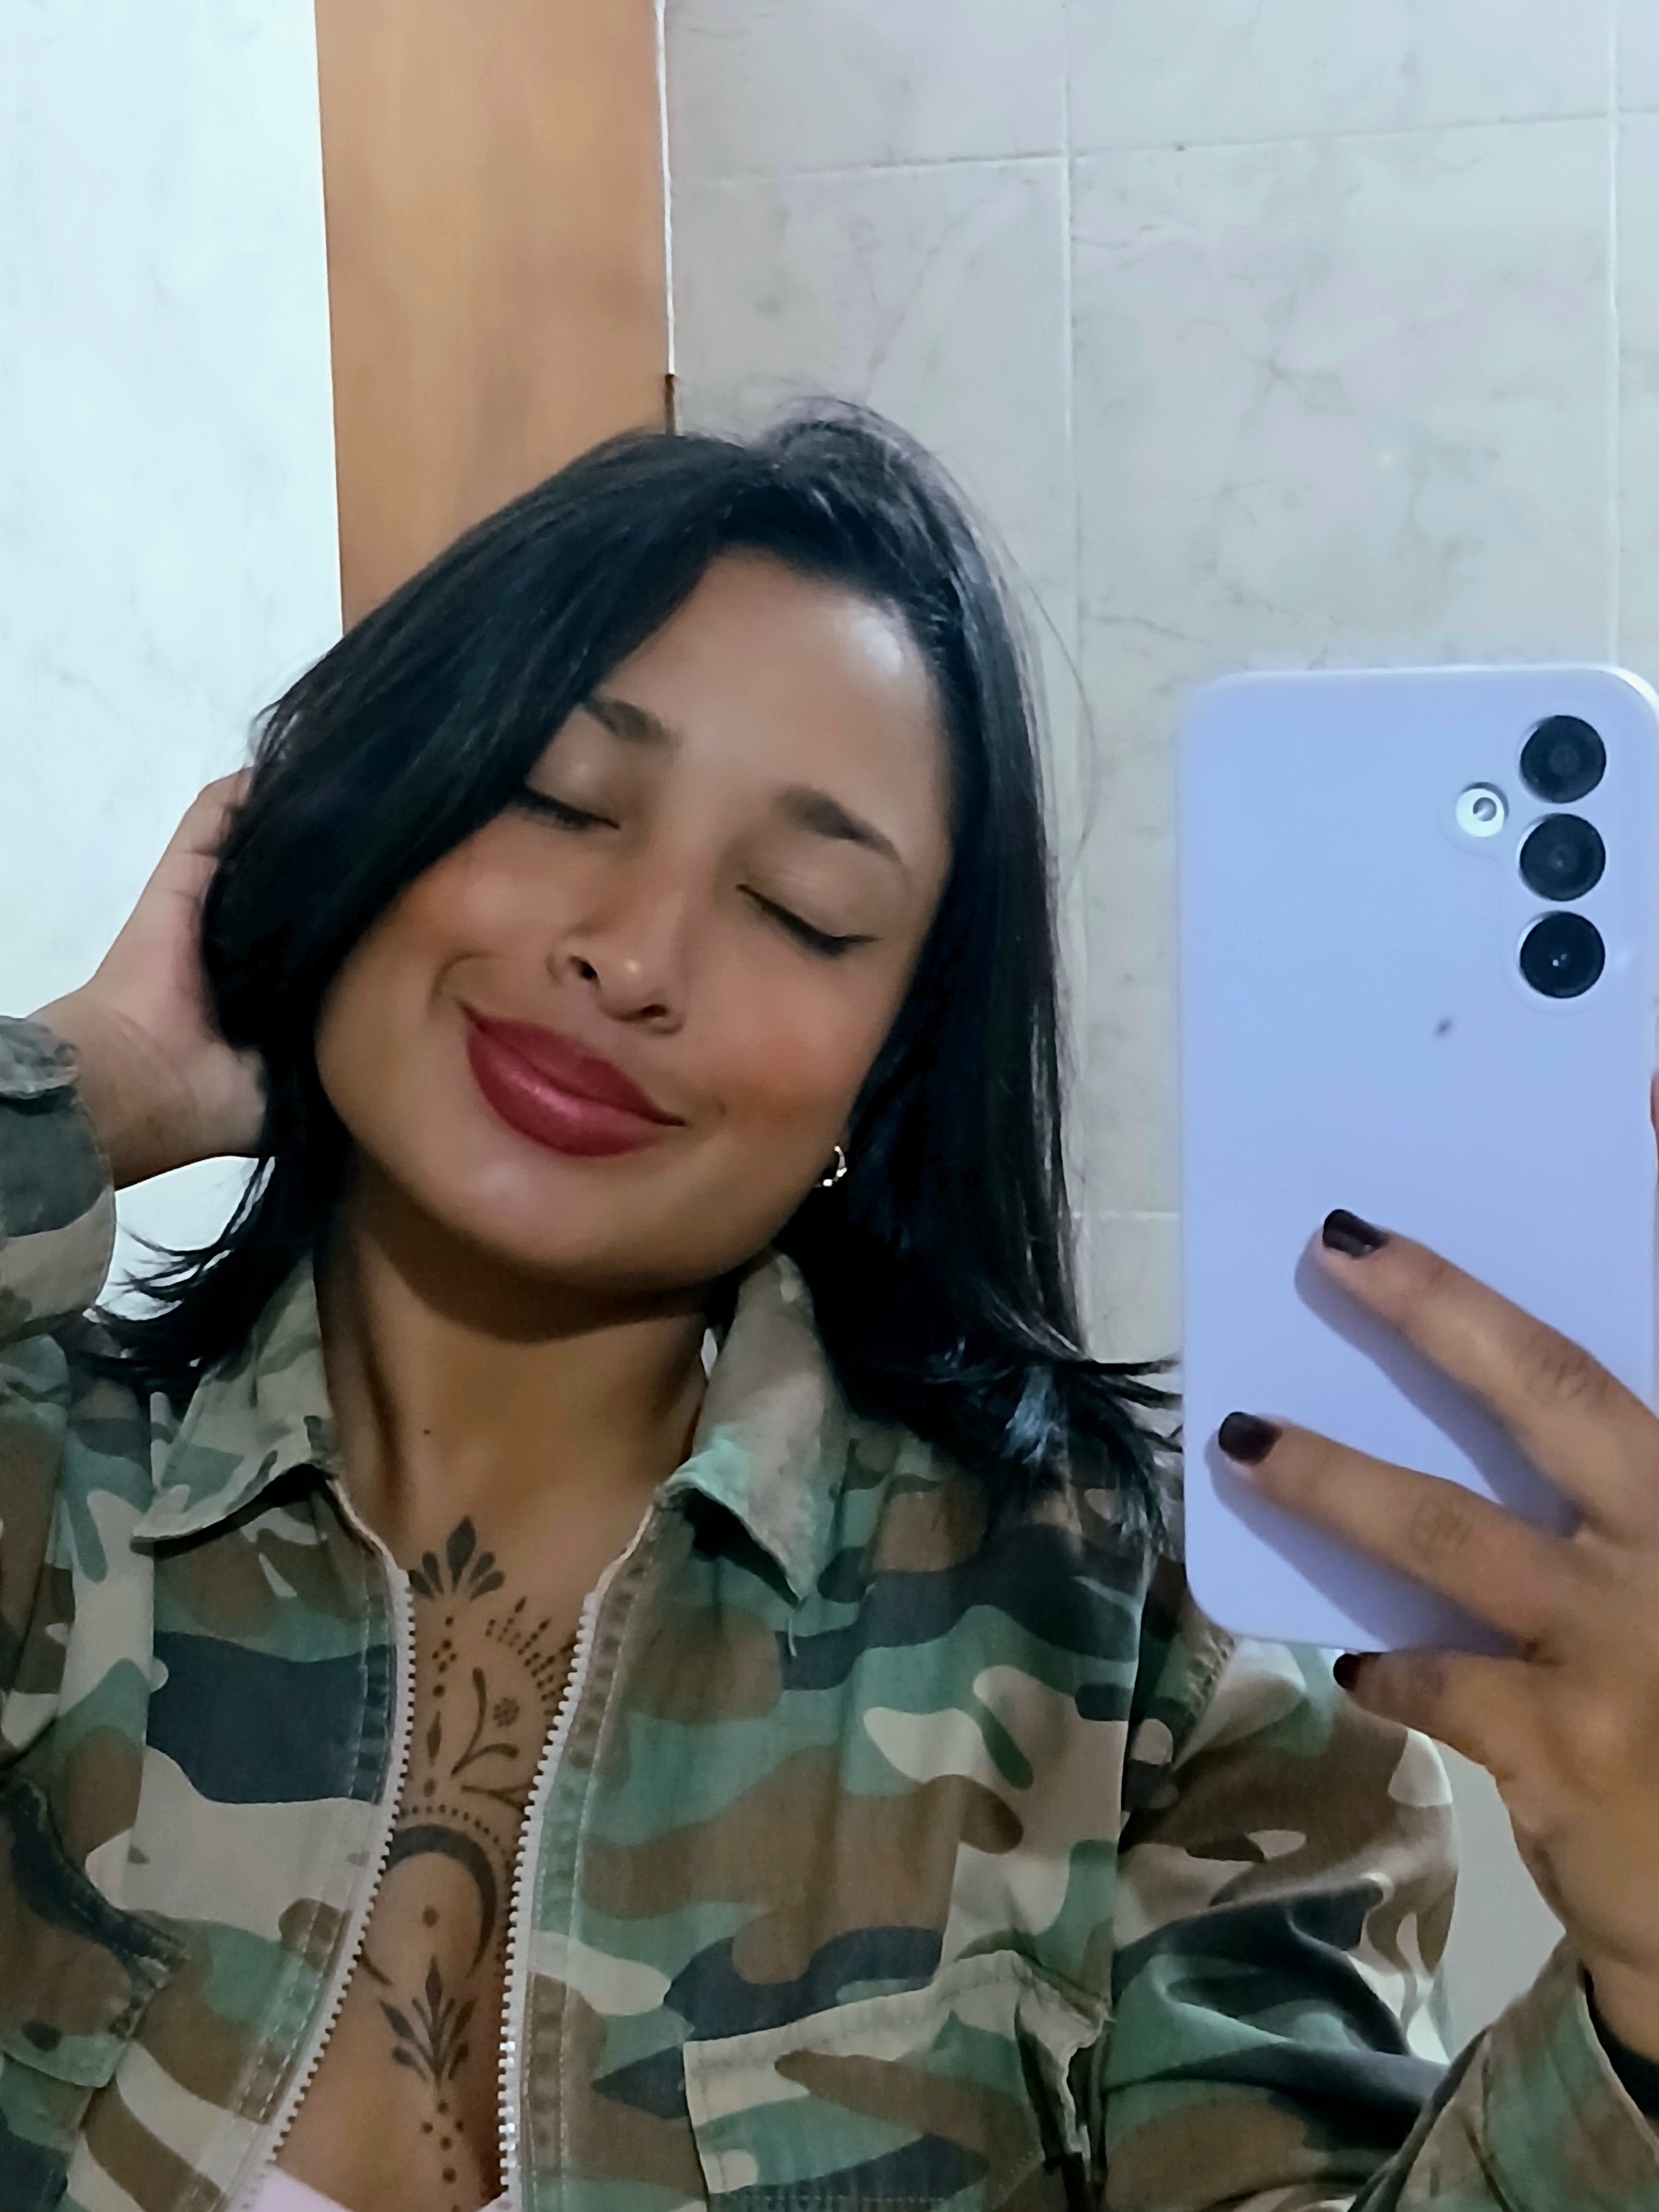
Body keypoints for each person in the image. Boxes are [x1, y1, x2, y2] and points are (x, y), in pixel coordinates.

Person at [2, 410, 1658, 2212]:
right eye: (559, 798)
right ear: (364, 813)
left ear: (886, 1075)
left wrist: (1641, 2017)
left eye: (801, 912)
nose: (634, 957)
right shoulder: (45, 1508)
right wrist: (95, 1085)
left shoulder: (1134, 1685)